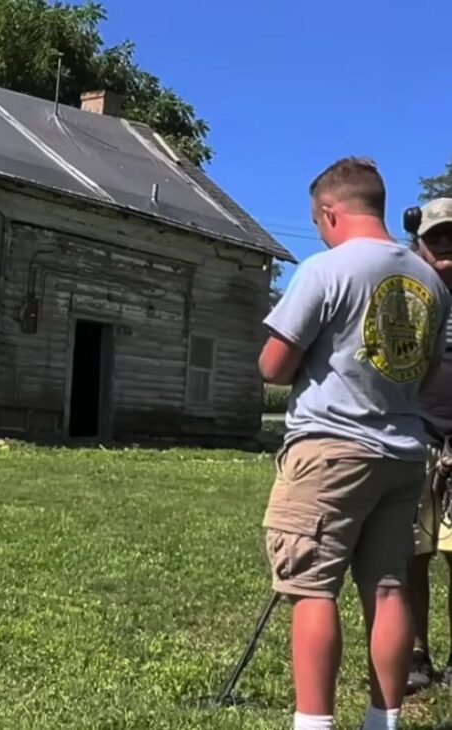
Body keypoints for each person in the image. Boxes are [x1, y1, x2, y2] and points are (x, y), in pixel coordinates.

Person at [259, 157, 450, 730]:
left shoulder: (325, 269)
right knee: (388, 587)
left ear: (329, 212)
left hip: (330, 450)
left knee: (312, 588)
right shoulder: (431, 284)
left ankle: (314, 723)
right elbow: (423, 371)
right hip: (402, 453)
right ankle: (381, 720)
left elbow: (273, 365)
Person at [405, 198, 452, 694]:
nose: (445, 245)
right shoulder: (407, 295)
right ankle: (417, 654)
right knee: (412, 554)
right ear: (419, 243)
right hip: (415, 438)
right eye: (436, 236)